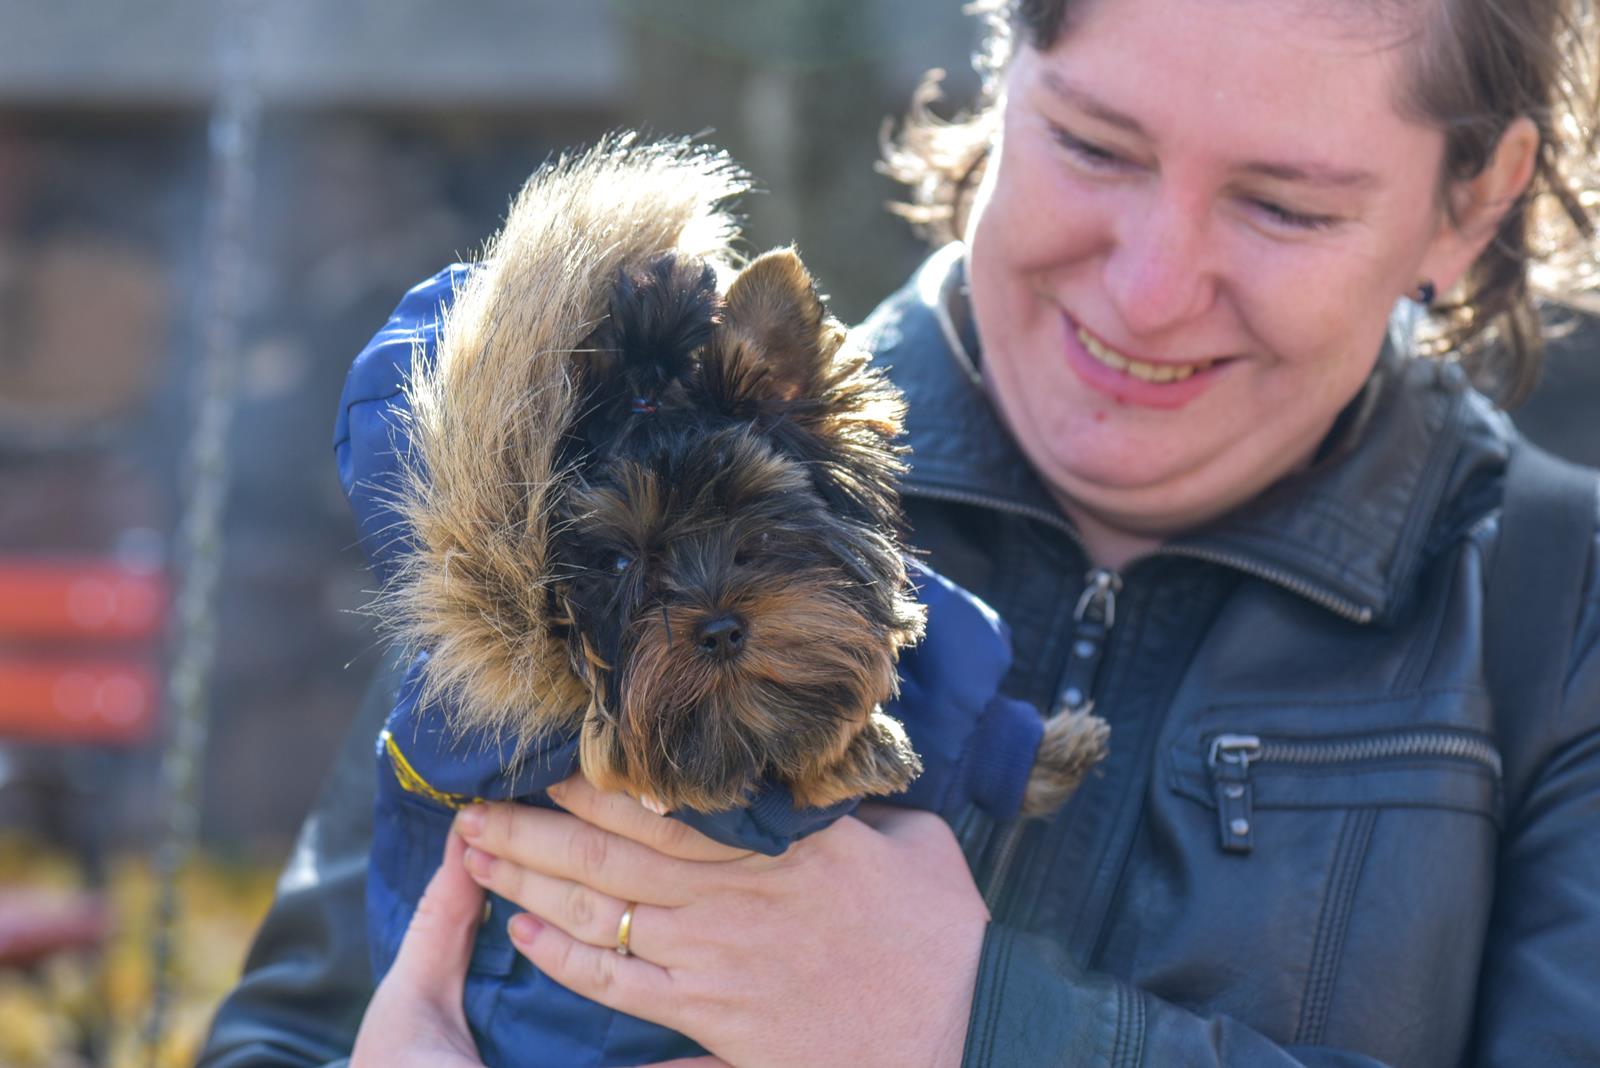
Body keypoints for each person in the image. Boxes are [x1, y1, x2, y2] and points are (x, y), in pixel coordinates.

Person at [200, 0, 1600, 1064]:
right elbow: (290, 1033)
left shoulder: (1564, 611)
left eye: (1284, 206)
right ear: (1003, 73)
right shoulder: (591, 469)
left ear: (1473, 200)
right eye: (1094, 146)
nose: (1152, 289)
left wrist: (979, 1025)